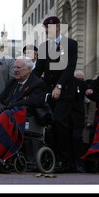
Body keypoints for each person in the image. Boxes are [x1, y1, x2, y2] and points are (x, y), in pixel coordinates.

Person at [33, 16, 78, 172]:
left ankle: (65, 161)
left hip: (64, 91)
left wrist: (59, 86)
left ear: (58, 27)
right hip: (48, 92)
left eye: (49, 28)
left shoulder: (70, 44)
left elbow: (69, 68)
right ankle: (51, 159)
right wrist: (26, 84)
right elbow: (38, 70)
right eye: (45, 28)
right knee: (48, 125)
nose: (46, 31)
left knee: (60, 122)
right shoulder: (44, 47)